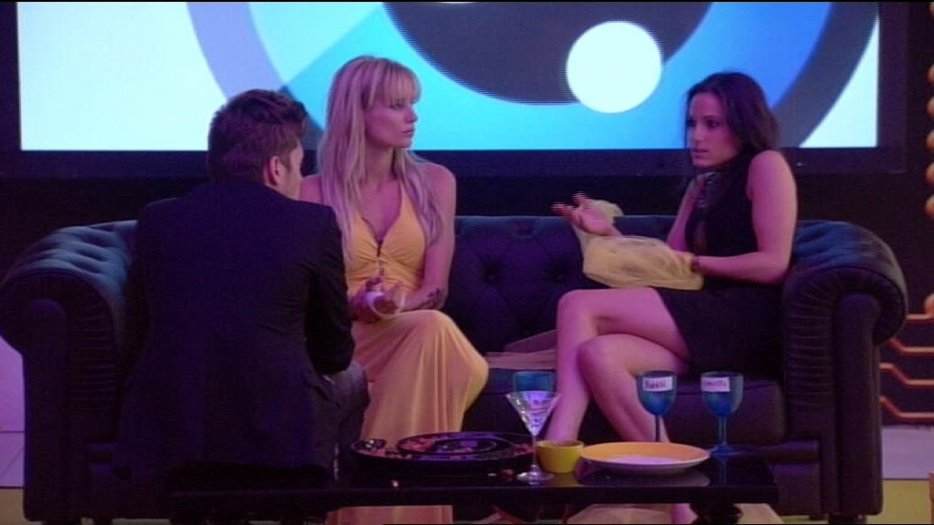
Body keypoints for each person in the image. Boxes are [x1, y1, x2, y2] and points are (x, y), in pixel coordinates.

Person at [546, 72, 797, 524]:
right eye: (692, 124)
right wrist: (609, 234)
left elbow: (773, 263)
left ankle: (555, 453)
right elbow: (668, 264)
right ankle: (686, 505)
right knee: (598, 354)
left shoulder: (766, 165)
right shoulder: (702, 185)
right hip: (699, 318)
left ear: (744, 124)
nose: (697, 136)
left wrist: (699, 264)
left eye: (712, 124)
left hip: (743, 317)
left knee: (577, 304)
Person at [115, 89, 368, 504]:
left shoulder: (157, 219)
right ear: (275, 169)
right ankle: (322, 501)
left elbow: (141, 330)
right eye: (299, 168)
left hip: (169, 426)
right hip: (277, 431)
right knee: (353, 377)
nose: (300, 180)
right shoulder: (313, 223)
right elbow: (334, 353)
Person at [300, 56, 489, 524]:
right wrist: (355, 304)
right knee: (436, 339)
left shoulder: (436, 182)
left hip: (417, 329)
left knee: (430, 329)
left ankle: (367, 505)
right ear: (357, 112)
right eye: (397, 105)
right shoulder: (308, 192)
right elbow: (302, 299)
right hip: (345, 340)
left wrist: (394, 304)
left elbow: (436, 289)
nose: (413, 117)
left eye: (413, 104)